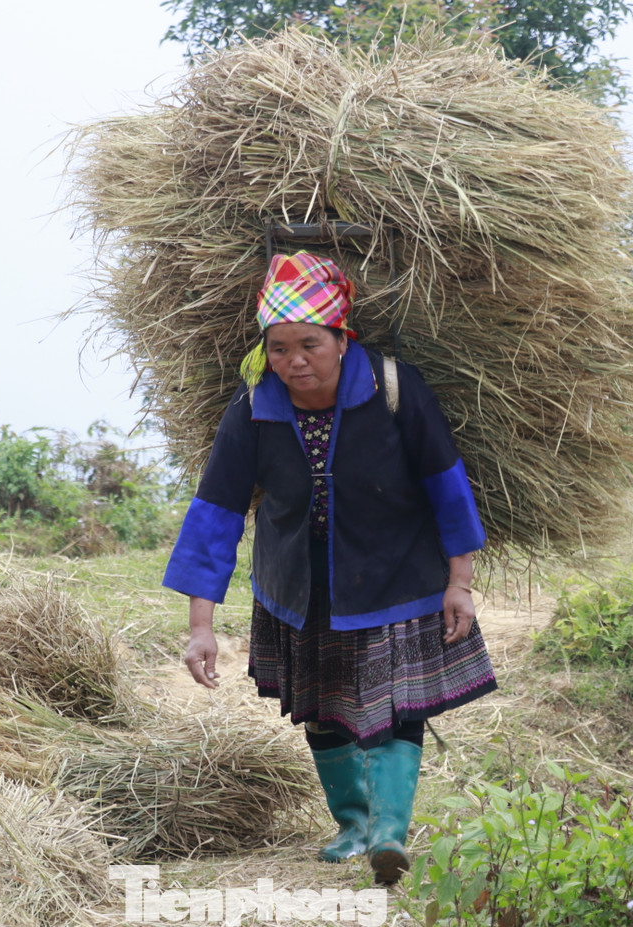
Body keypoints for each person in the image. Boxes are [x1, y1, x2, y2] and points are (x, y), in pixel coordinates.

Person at [162, 250, 497, 884]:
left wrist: (460, 583)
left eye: (309, 345)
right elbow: (216, 514)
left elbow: (447, 487)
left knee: (398, 705)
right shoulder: (255, 405)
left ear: (342, 339)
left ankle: (390, 832)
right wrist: (200, 626)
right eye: (280, 347)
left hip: (398, 573)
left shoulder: (395, 389)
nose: (294, 361)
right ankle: (354, 825)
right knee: (319, 705)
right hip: (299, 584)